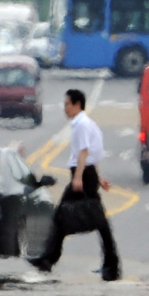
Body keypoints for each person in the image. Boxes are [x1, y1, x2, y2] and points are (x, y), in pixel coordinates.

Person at [28, 89, 121, 281]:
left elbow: (84, 152)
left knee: (63, 215)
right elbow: (92, 154)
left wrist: (78, 178)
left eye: (67, 105)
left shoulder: (81, 125)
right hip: (88, 174)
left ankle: (48, 259)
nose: (65, 109)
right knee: (98, 221)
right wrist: (99, 177)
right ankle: (110, 265)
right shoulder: (87, 123)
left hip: (83, 174)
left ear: (77, 104)